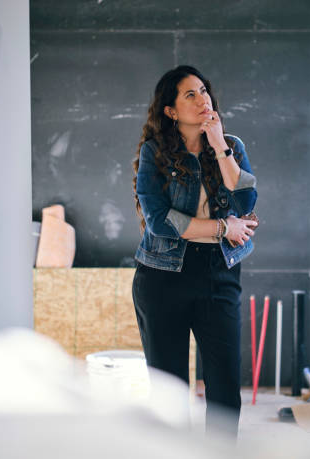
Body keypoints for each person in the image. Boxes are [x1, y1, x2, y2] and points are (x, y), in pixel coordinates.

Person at [131, 65, 259, 437]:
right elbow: (159, 220)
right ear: (170, 111)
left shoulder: (232, 146)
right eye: (190, 94)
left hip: (219, 273)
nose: (203, 99)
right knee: (170, 393)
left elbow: (246, 198)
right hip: (163, 276)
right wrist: (224, 227)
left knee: (224, 390)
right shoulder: (155, 152)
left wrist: (219, 145)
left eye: (204, 90)